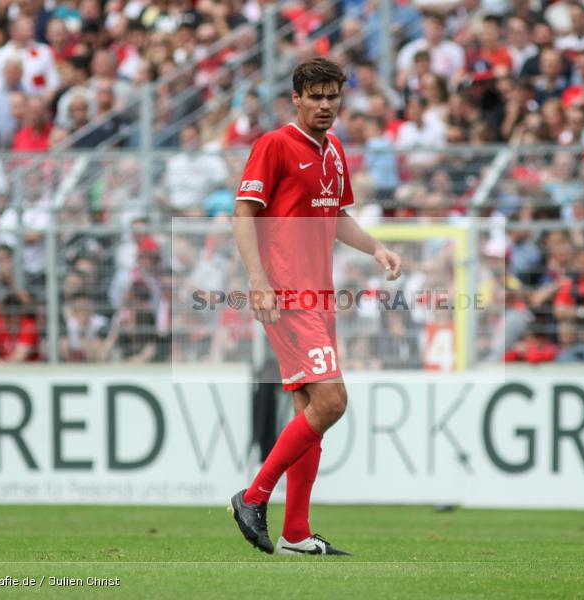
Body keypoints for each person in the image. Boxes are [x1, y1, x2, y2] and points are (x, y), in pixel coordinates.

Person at [229, 58, 401, 556]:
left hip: (320, 296)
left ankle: (296, 532)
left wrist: (375, 248)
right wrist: (258, 281)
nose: (325, 105)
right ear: (297, 98)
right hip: (287, 294)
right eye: (316, 96)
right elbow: (243, 214)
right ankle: (253, 496)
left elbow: (336, 214)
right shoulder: (274, 145)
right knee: (332, 401)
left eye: (333, 96)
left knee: (310, 410)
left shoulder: (335, 150)